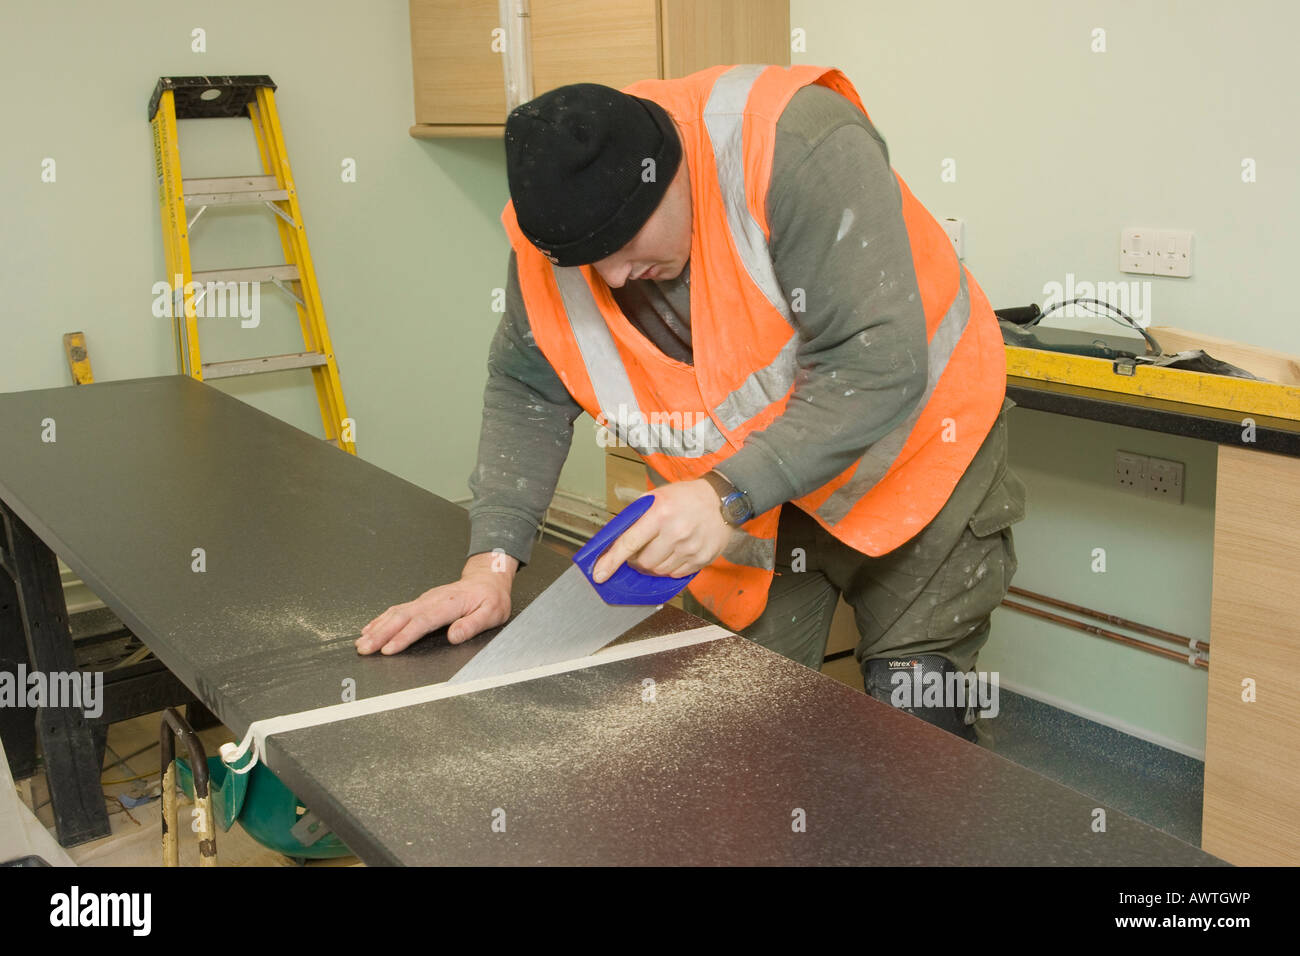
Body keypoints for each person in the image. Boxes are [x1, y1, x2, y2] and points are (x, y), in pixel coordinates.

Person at [358, 64, 1026, 741]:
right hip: (757, 502)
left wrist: (722, 496)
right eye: (588, 260)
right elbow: (529, 387)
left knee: (916, 741)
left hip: (918, 463)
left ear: (670, 170)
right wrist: (490, 565)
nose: (612, 276)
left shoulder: (795, 146)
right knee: (738, 741)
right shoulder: (560, 236)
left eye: (622, 246)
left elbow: (879, 361)